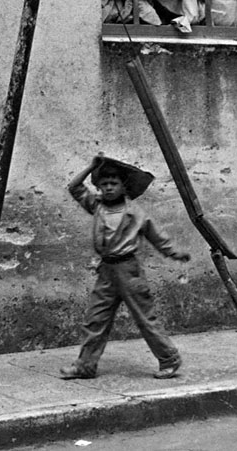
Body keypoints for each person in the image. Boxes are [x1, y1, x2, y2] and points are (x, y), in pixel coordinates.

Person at [59, 153, 191, 380]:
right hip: (107, 272)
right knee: (95, 319)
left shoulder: (135, 213)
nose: (109, 188)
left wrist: (174, 253)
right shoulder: (97, 206)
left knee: (144, 317)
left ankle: (169, 359)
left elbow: (156, 236)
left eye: (114, 183)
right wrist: (91, 166)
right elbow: (74, 187)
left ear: (123, 186)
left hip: (129, 271)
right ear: (99, 187)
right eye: (104, 184)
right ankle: (85, 365)